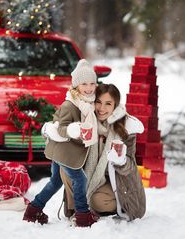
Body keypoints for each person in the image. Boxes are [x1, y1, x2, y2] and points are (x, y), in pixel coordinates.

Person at [23, 59, 99, 227]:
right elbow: (60, 127)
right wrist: (74, 129)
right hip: (64, 151)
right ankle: (82, 214)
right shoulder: (70, 104)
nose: (89, 87)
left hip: (63, 151)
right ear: (76, 85)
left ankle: (33, 209)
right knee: (80, 180)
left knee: (56, 181)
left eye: (92, 83)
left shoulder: (88, 102)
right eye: (84, 83)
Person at [63, 83, 146, 221]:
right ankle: (78, 210)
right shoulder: (87, 121)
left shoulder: (125, 129)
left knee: (98, 202)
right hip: (89, 178)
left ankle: (89, 204)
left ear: (115, 106)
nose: (102, 108)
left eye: (108, 103)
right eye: (98, 102)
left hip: (115, 182)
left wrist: (121, 160)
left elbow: (131, 167)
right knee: (65, 168)